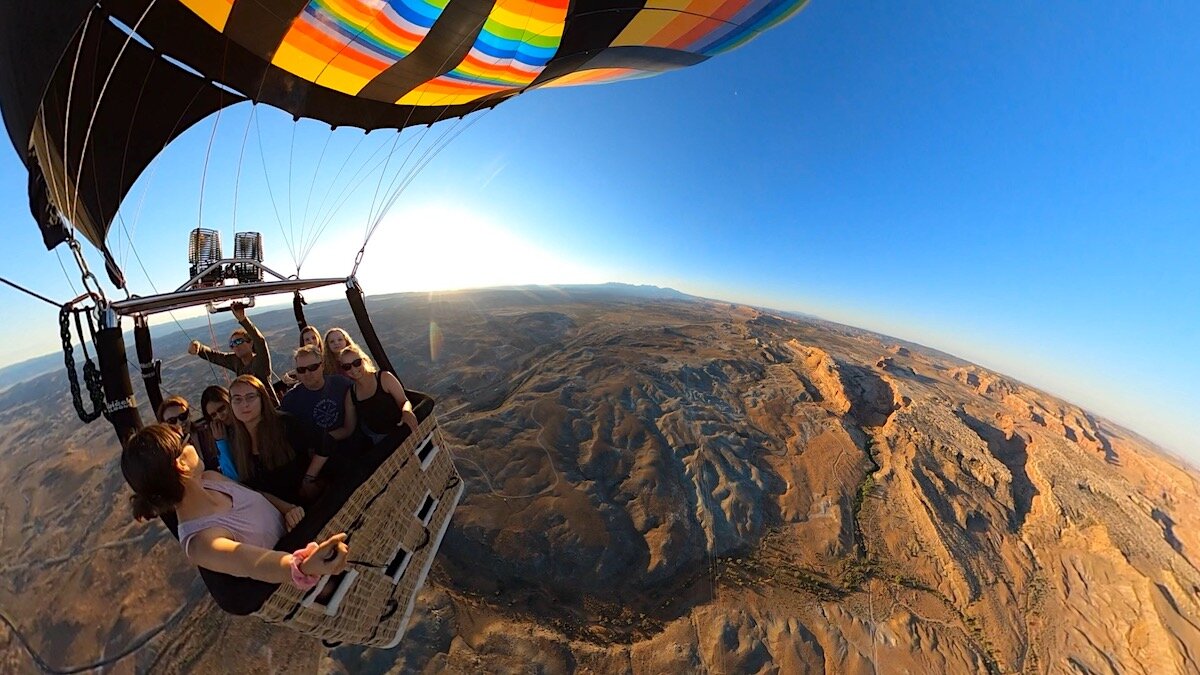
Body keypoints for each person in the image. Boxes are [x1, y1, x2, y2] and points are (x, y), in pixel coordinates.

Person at [121, 424, 349, 586]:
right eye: (185, 442)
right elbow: (253, 564)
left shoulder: (211, 479)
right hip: (299, 578)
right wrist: (304, 566)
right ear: (180, 464)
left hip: (302, 533)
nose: (192, 443)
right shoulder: (201, 542)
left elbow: (256, 496)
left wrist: (287, 509)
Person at [228, 375, 328, 504]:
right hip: (275, 513)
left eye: (250, 397)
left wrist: (309, 479)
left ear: (262, 398)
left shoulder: (284, 424)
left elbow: (324, 443)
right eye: (237, 399)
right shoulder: (236, 441)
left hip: (308, 502)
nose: (244, 404)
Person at [188, 304, 279, 406]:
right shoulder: (236, 361)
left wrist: (243, 319)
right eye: (232, 344)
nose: (235, 346)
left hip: (271, 411)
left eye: (238, 341)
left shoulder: (260, 362)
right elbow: (215, 357)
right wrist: (199, 347)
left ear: (250, 343)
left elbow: (260, 341)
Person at [282, 346, 355, 456]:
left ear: (322, 366)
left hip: (352, 445)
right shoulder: (290, 401)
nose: (307, 373)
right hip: (319, 456)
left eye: (313, 367)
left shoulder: (341, 384)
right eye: (301, 370)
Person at [339, 344, 420, 443]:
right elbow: (348, 429)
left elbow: (403, 401)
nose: (353, 369)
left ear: (364, 360)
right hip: (381, 441)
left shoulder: (384, 378)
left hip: (401, 432)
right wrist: (329, 436)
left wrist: (406, 411)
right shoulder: (351, 395)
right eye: (347, 367)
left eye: (356, 363)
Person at [156, 396, 219, 473]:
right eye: (172, 421)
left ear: (189, 414)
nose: (179, 423)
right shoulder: (170, 453)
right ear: (164, 425)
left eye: (183, 416)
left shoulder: (208, 432)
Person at [200, 386, 240, 480]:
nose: (220, 416)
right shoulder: (220, 437)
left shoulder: (247, 422)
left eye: (222, 408)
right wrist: (222, 443)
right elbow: (232, 478)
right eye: (214, 415)